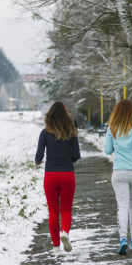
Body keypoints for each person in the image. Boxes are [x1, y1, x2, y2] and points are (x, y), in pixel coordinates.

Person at [35, 101, 81, 255]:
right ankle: (65, 233)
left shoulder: (45, 132)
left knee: (53, 212)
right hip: (67, 174)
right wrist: (68, 160)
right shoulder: (71, 132)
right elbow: (77, 155)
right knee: (66, 209)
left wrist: (38, 161)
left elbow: (39, 156)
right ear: (65, 115)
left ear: (50, 115)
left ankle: (56, 247)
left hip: (51, 176)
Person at [104, 100, 132, 255]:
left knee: (122, 206)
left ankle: (123, 239)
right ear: (131, 112)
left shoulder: (112, 128)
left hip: (120, 172)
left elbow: (108, 150)